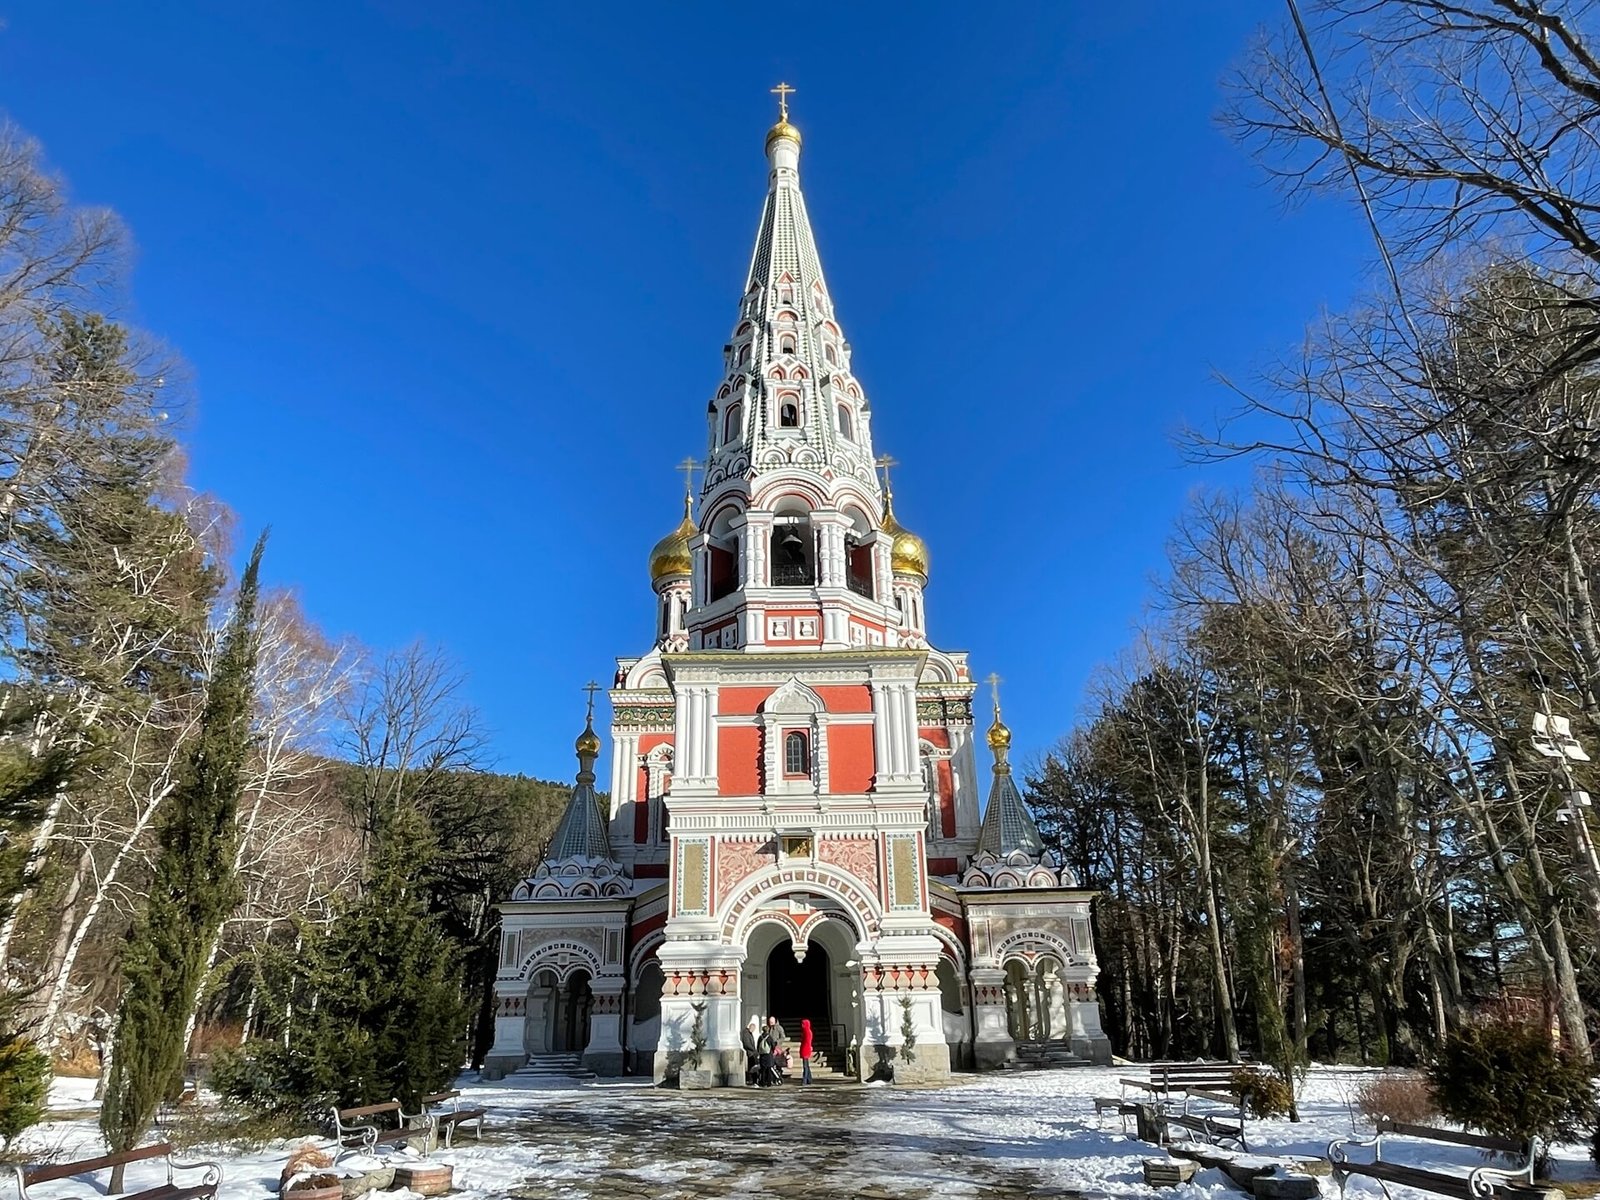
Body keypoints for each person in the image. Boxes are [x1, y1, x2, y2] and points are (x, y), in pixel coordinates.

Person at [759, 1015, 784, 1086]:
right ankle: (769, 1080)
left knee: (774, 1065)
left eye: (772, 1022)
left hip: (776, 1048)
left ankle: (774, 1078)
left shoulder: (779, 1028)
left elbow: (783, 1037)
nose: (771, 1024)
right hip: (769, 1049)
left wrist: (777, 1042)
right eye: (770, 1022)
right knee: (769, 1066)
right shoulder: (768, 1029)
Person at [741, 1016, 760, 1086]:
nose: (754, 1030)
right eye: (753, 1029)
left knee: (753, 1067)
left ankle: (752, 1079)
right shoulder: (746, 1034)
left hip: (752, 1052)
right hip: (750, 1053)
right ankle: (751, 1079)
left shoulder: (749, 1033)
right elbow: (747, 1043)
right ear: (751, 1027)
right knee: (752, 1067)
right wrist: (753, 1049)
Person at [799, 1017, 814, 1085]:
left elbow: (806, 1042)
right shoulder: (808, 1032)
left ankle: (805, 1080)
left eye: (803, 1024)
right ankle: (809, 1079)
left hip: (805, 1049)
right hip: (806, 1049)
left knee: (805, 1066)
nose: (802, 1025)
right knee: (806, 1065)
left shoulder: (807, 1032)